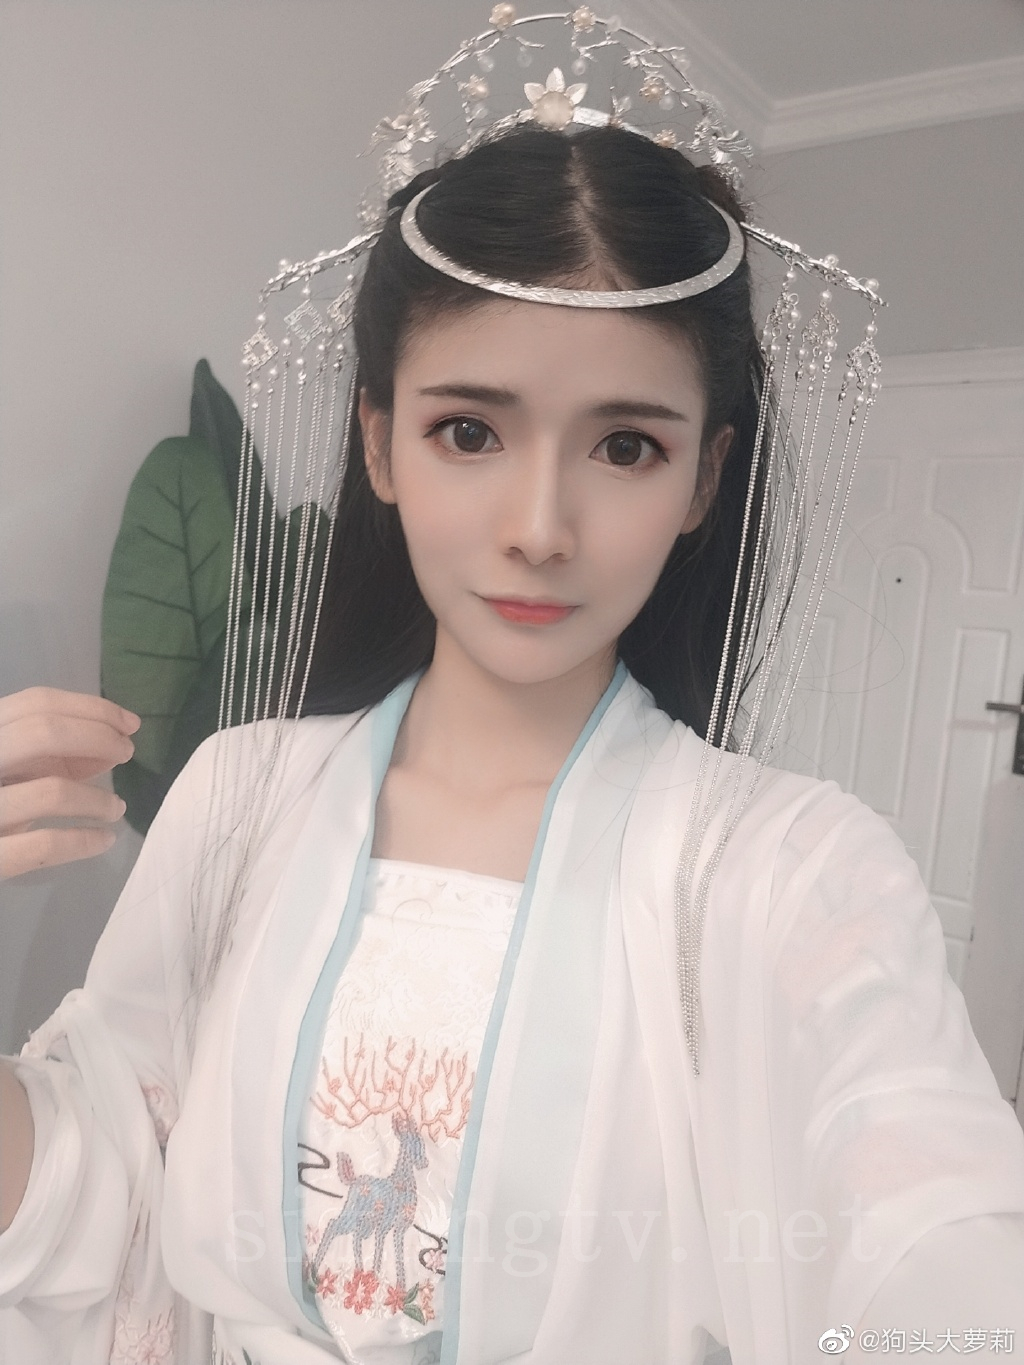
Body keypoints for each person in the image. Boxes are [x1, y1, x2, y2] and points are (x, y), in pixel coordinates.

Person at [3, 12, 1024, 1364]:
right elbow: (96, 1193)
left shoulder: (793, 871)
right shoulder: (239, 798)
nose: (539, 527)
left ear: (704, 481)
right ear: (380, 443)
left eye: (625, 446)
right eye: (470, 430)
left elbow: (930, 1228)